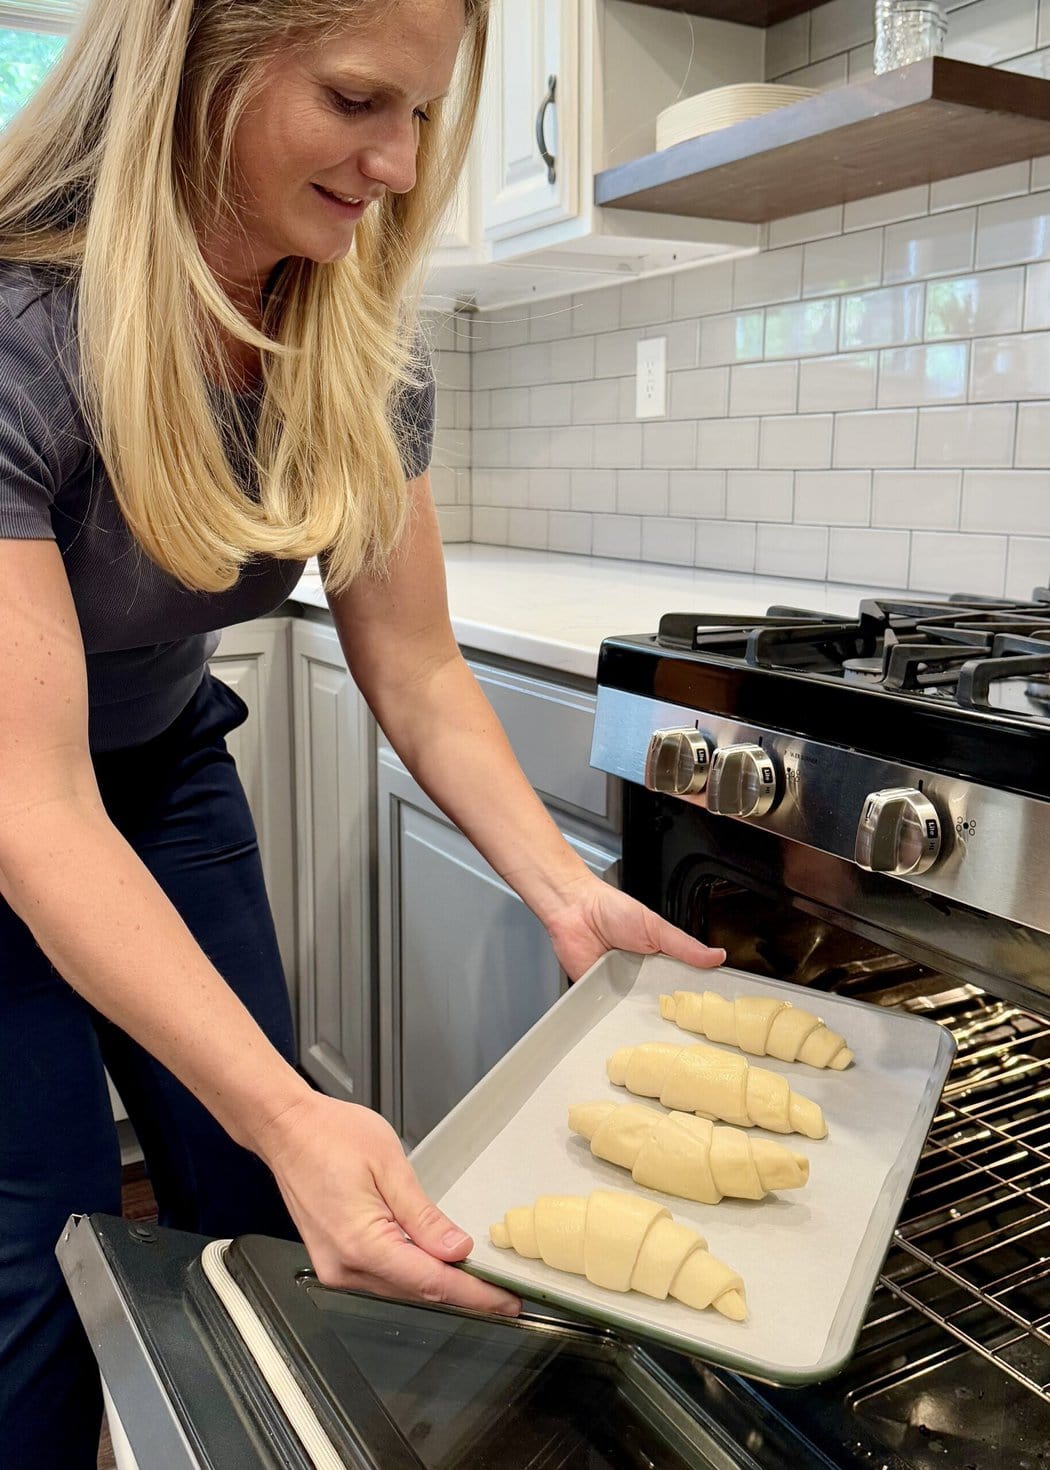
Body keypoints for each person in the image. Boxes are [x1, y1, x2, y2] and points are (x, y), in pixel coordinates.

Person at [0, 1, 726, 1463]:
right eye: (354, 101)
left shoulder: (349, 343)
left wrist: (561, 881)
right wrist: (288, 1105)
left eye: (421, 115)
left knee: (254, 1187)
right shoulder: (26, 335)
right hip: (24, 802)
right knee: (41, 1237)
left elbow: (416, 666)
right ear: (191, 68)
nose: (398, 163)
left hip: (162, 773)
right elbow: (33, 800)